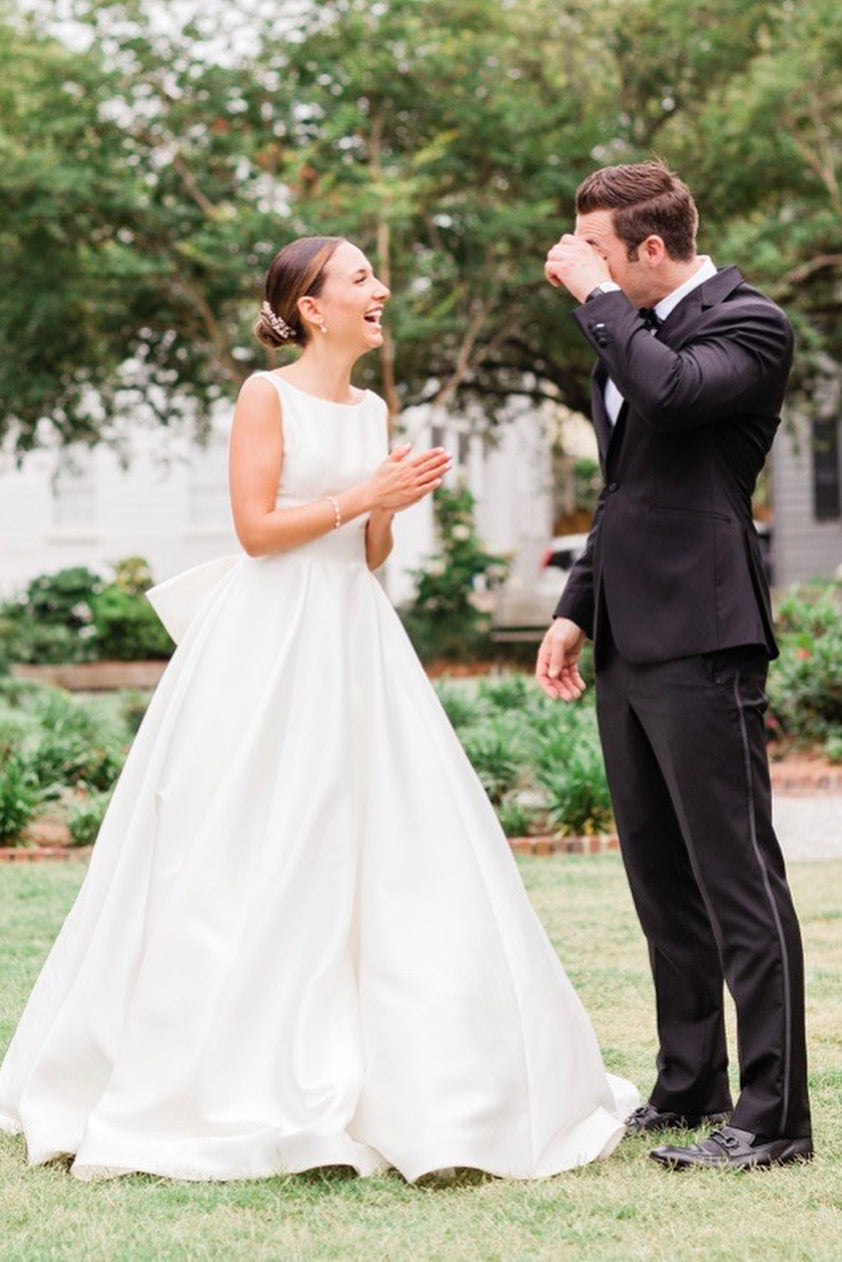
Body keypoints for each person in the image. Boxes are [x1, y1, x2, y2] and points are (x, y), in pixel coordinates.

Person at [0, 235, 637, 1183]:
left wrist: (387, 507)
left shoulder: (373, 408)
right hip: (269, 638)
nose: (383, 289)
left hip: (353, 633)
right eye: (361, 279)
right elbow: (257, 532)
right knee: (251, 829)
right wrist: (362, 493)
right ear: (311, 306)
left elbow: (368, 558)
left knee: (379, 829)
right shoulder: (266, 396)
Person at [536, 162, 813, 1171]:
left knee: (736, 877)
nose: (579, 268)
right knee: (659, 877)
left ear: (649, 248)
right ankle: (689, 1081)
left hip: (705, 628)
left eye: (596, 251)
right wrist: (576, 608)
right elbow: (624, 488)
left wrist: (597, 302)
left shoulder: (749, 323)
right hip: (628, 634)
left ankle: (773, 1117)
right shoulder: (630, 332)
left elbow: (671, 392)